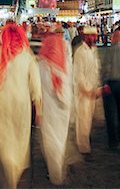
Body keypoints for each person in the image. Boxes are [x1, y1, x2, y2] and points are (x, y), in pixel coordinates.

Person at [0, 23, 42, 189]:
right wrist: (38, 109)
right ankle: (15, 170)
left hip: (1, 104)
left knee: (4, 139)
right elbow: (36, 85)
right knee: (19, 138)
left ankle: (9, 169)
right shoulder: (27, 56)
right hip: (21, 104)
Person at [38, 29, 73, 185]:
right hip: (58, 110)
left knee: (52, 140)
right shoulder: (63, 67)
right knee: (58, 140)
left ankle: (55, 172)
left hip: (52, 111)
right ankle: (56, 170)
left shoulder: (43, 66)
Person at [73, 26, 101, 154]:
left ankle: (85, 143)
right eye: (90, 36)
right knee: (83, 120)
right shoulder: (80, 51)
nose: (92, 38)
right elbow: (78, 74)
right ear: (85, 36)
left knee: (88, 120)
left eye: (94, 36)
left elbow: (96, 71)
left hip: (93, 90)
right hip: (83, 92)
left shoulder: (93, 50)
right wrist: (87, 90)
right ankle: (83, 148)